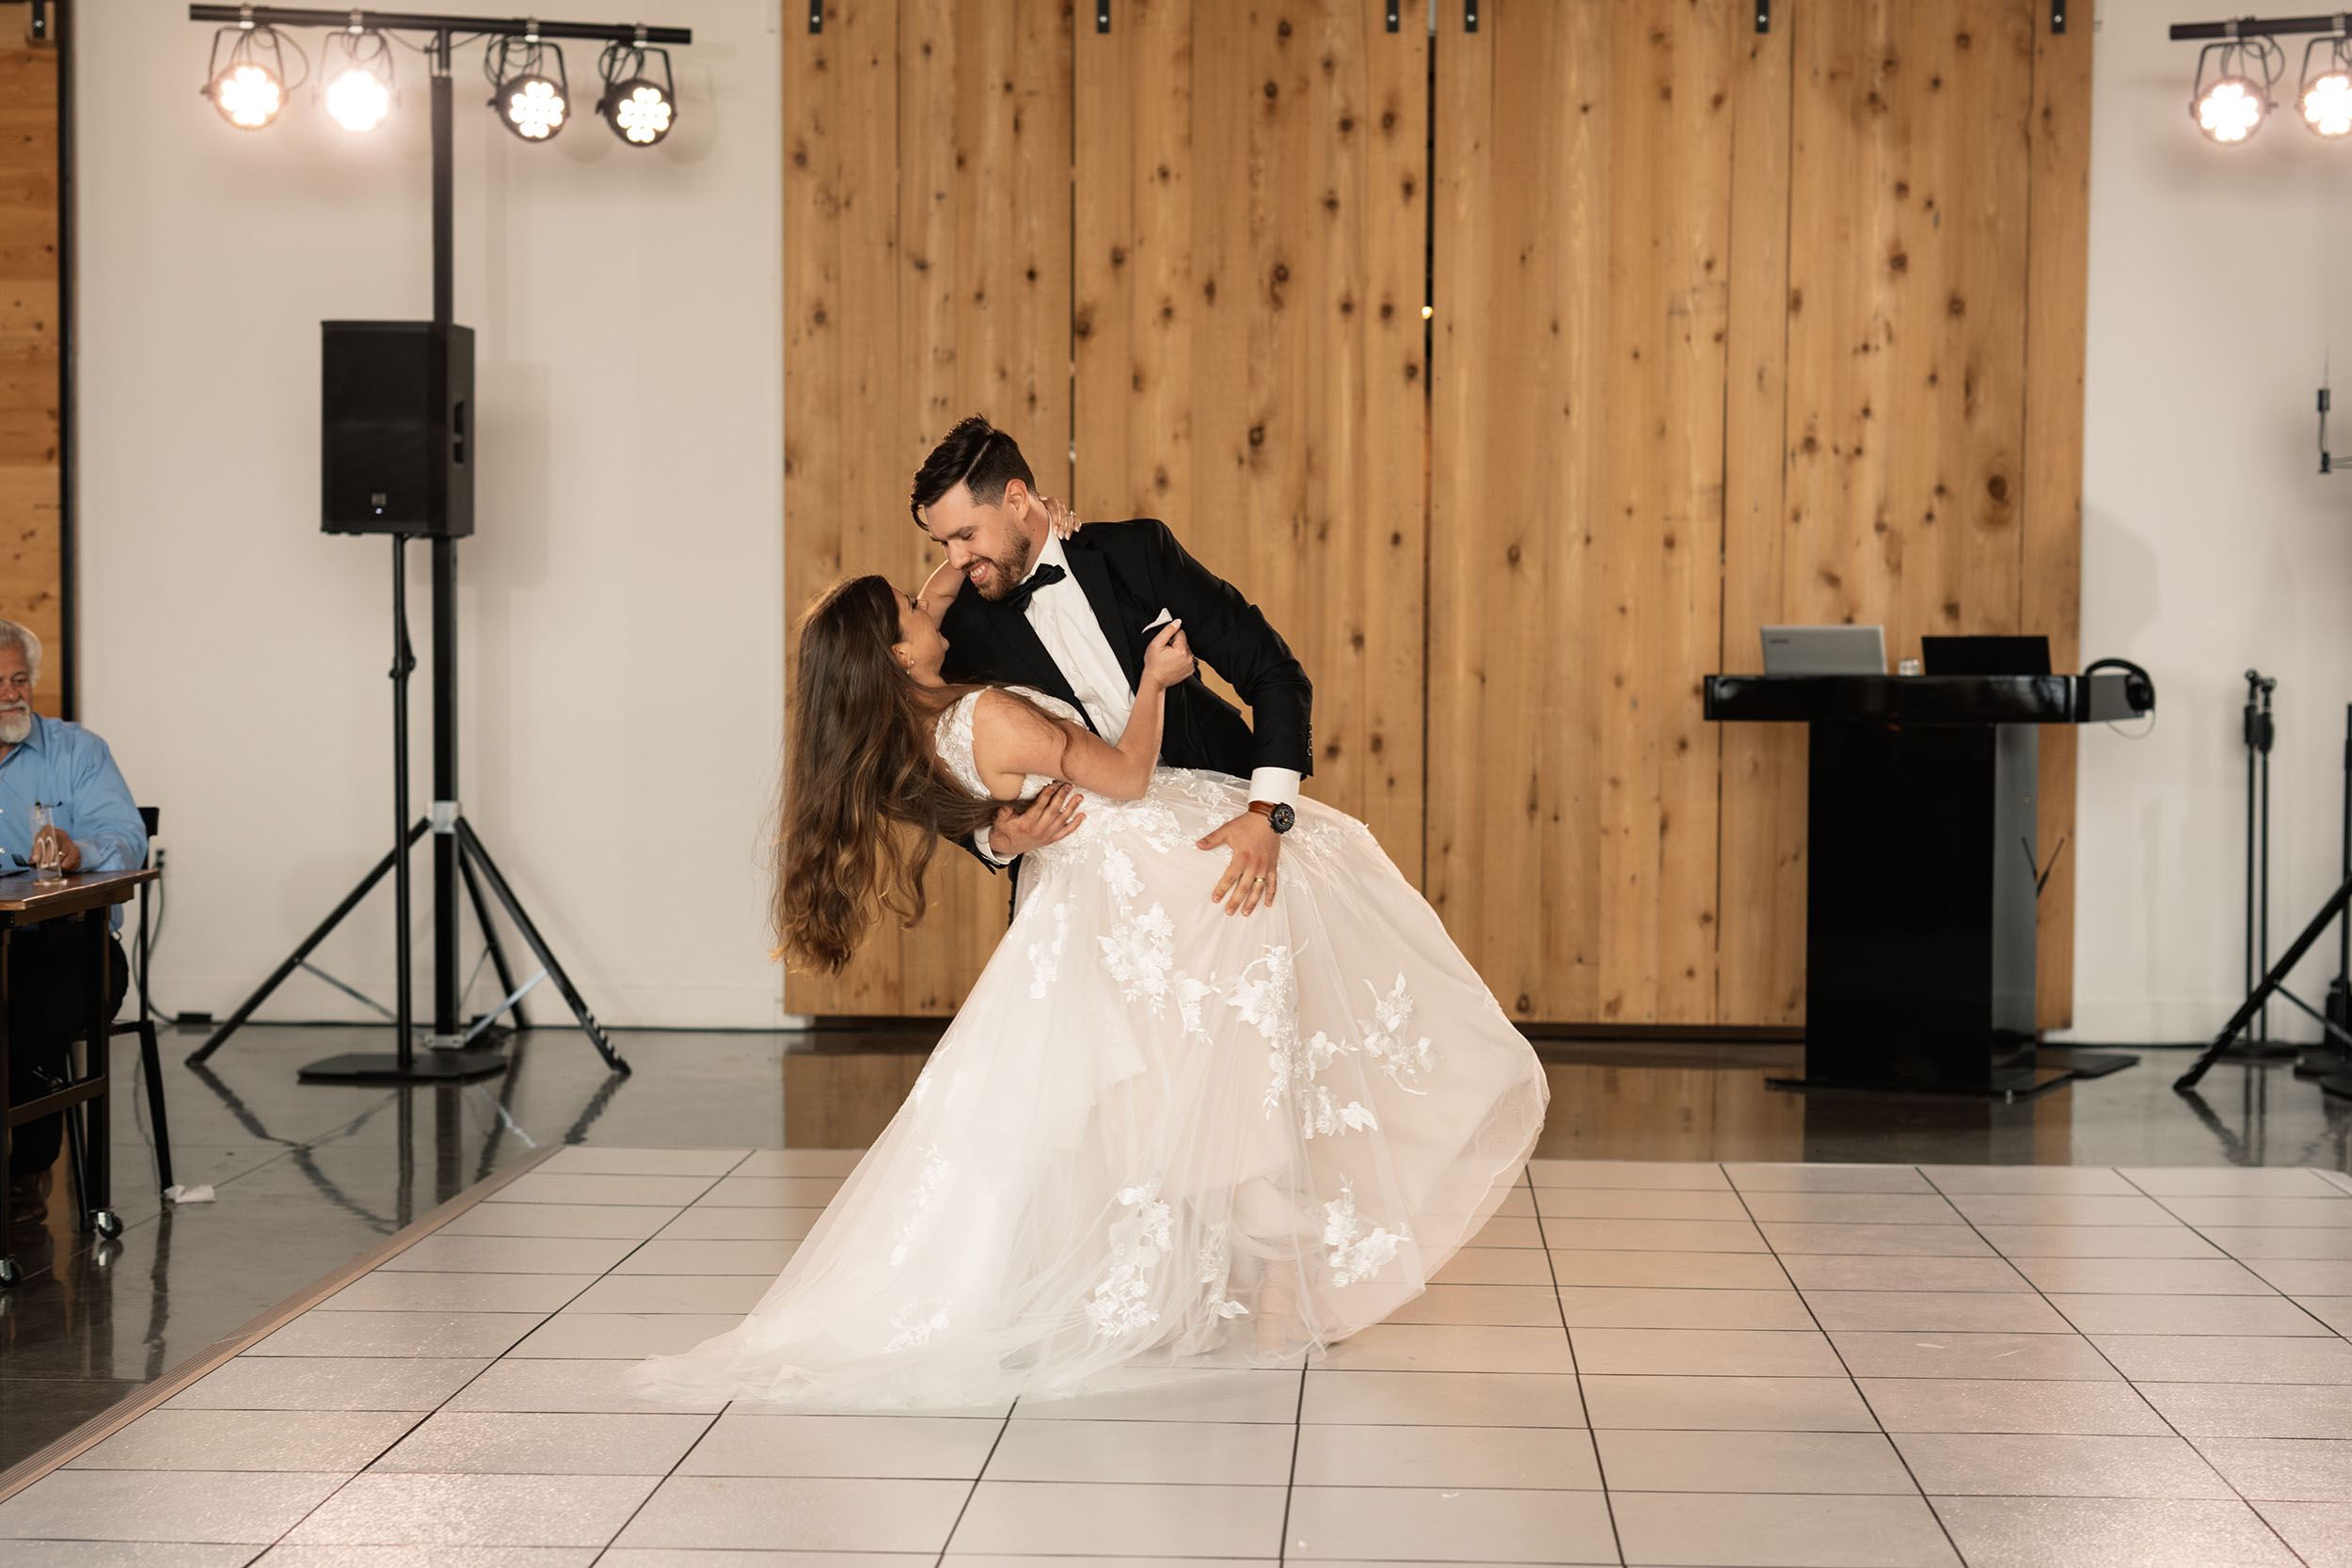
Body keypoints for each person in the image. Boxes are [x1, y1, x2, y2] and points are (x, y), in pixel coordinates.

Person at [626, 565, 1548, 1410]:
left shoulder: (910, 734)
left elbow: (963, 745)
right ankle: (1270, 1278)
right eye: (913, 608)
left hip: (1095, 894)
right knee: (1239, 1049)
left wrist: (939, 608)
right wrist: (1154, 680)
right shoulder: (988, 710)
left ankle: (1237, 1278)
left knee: (1180, 1071)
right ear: (894, 649)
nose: (930, 594)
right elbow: (1127, 774)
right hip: (1165, 867)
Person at [915, 416, 1308, 917]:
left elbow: (1274, 670)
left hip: (1226, 845)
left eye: (965, 535)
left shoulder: (1139, 552)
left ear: (1017, 500)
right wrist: (994, 838)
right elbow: (934, 771)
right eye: (943, 544)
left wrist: (1266, 811)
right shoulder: (960, 633)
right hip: (1084, 895)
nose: (955, 559)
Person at [0, 620, 145, 1233]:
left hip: (71, 943)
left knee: (29, 1012)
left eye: (19, 679)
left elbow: (128, 838)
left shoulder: (77, 750)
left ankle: (24, 1174)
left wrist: (77, 849)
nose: (11, 694)